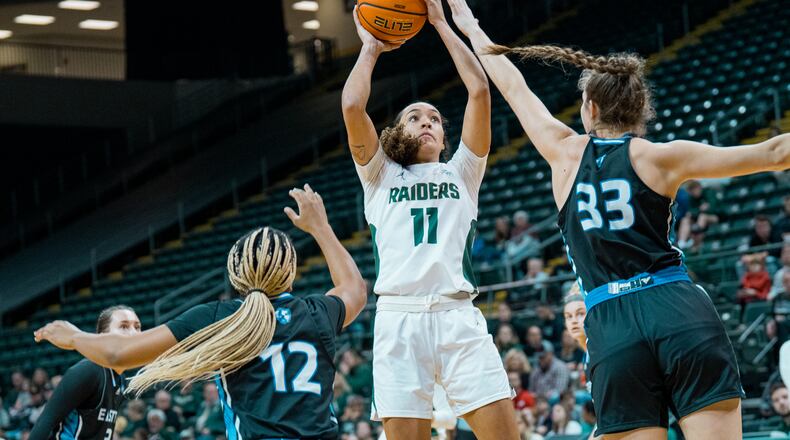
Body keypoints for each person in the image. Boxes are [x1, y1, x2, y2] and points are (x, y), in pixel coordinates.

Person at [446, 1, 790, 437]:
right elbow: (776, 152)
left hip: (611, 321)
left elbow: (513, 88)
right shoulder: (664, 157)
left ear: (589, 106)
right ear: (641, 107)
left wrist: (466, 24)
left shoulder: (564, 153)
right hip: (677, 308)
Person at [34, 185, 368, 439]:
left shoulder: (222, 317)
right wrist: (321, 228)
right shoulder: (316, 312)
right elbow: (354, 289)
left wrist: (73, 336)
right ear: (291, 273)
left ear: (235, 274)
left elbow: (119, 355)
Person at [341, 0, 515, 438]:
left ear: (444, 135)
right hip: (399, 320)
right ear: (396, 133)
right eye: (414, 117)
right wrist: (371, 48)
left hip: (458, 315)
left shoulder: (463, 171)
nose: (427, 122)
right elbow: (350, 106)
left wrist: (438, 22)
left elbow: (478, 89)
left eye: (435, 119)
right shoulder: (379, 175)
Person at [29, 306, 141, 440]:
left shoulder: (120, 380)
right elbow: (46, 421)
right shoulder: (89, 370)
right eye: (123, 326)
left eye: (137, 327)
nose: (134, 333)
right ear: (103, 337)